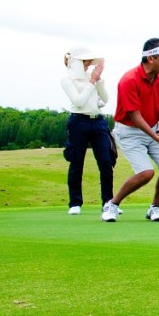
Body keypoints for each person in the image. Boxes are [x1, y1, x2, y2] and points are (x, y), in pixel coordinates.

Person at [101, 39, 159, 223]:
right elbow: (135, 116)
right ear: (151, 58)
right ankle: (112, 204)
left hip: (153, 128)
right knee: (146, 173)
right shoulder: (129, 80)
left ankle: (155, 207)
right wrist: (158, 139)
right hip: (129, 132)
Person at [60, 46, 116, 215]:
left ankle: (108, 202)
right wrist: (92, 82)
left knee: (106, 161)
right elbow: (78, 101)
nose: (88, 65)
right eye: (85, 62)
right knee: (77, 161)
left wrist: (98, 82)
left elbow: (105, 99)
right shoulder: (67, 79)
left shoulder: (92, 78)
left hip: (98, 121)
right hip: (78, 121)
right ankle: (75, 203)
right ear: (76, 62)